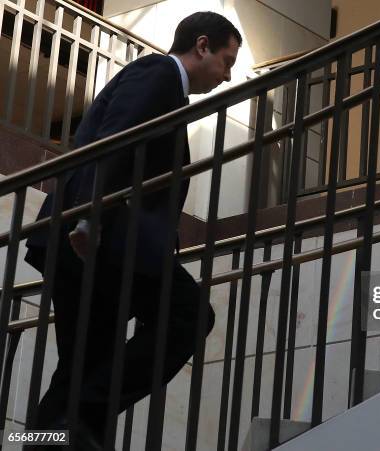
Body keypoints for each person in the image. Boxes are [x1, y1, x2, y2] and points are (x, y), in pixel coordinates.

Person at [24, 11, 241, 447]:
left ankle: (46, 438)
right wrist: (90, 215)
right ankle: (78, 419)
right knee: (189, 315)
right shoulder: (159, 73)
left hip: (95, 241)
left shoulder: (169, 93)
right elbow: (116, 138)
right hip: (101, 238)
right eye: (227, 60)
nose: (228, 75)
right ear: (201, 46)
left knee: (82, 366)